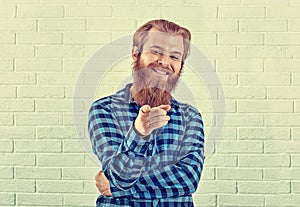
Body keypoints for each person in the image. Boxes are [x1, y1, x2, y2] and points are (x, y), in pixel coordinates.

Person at [88, 19, 205, 207]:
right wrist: (138, 133)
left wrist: (116, 187)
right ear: (136, 53)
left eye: (175, 56)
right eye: (156, 51)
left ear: (181, 66)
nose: (165, 62)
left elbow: (189, 179)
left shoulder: (190, 117)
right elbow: (120, 176)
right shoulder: (104, 110)